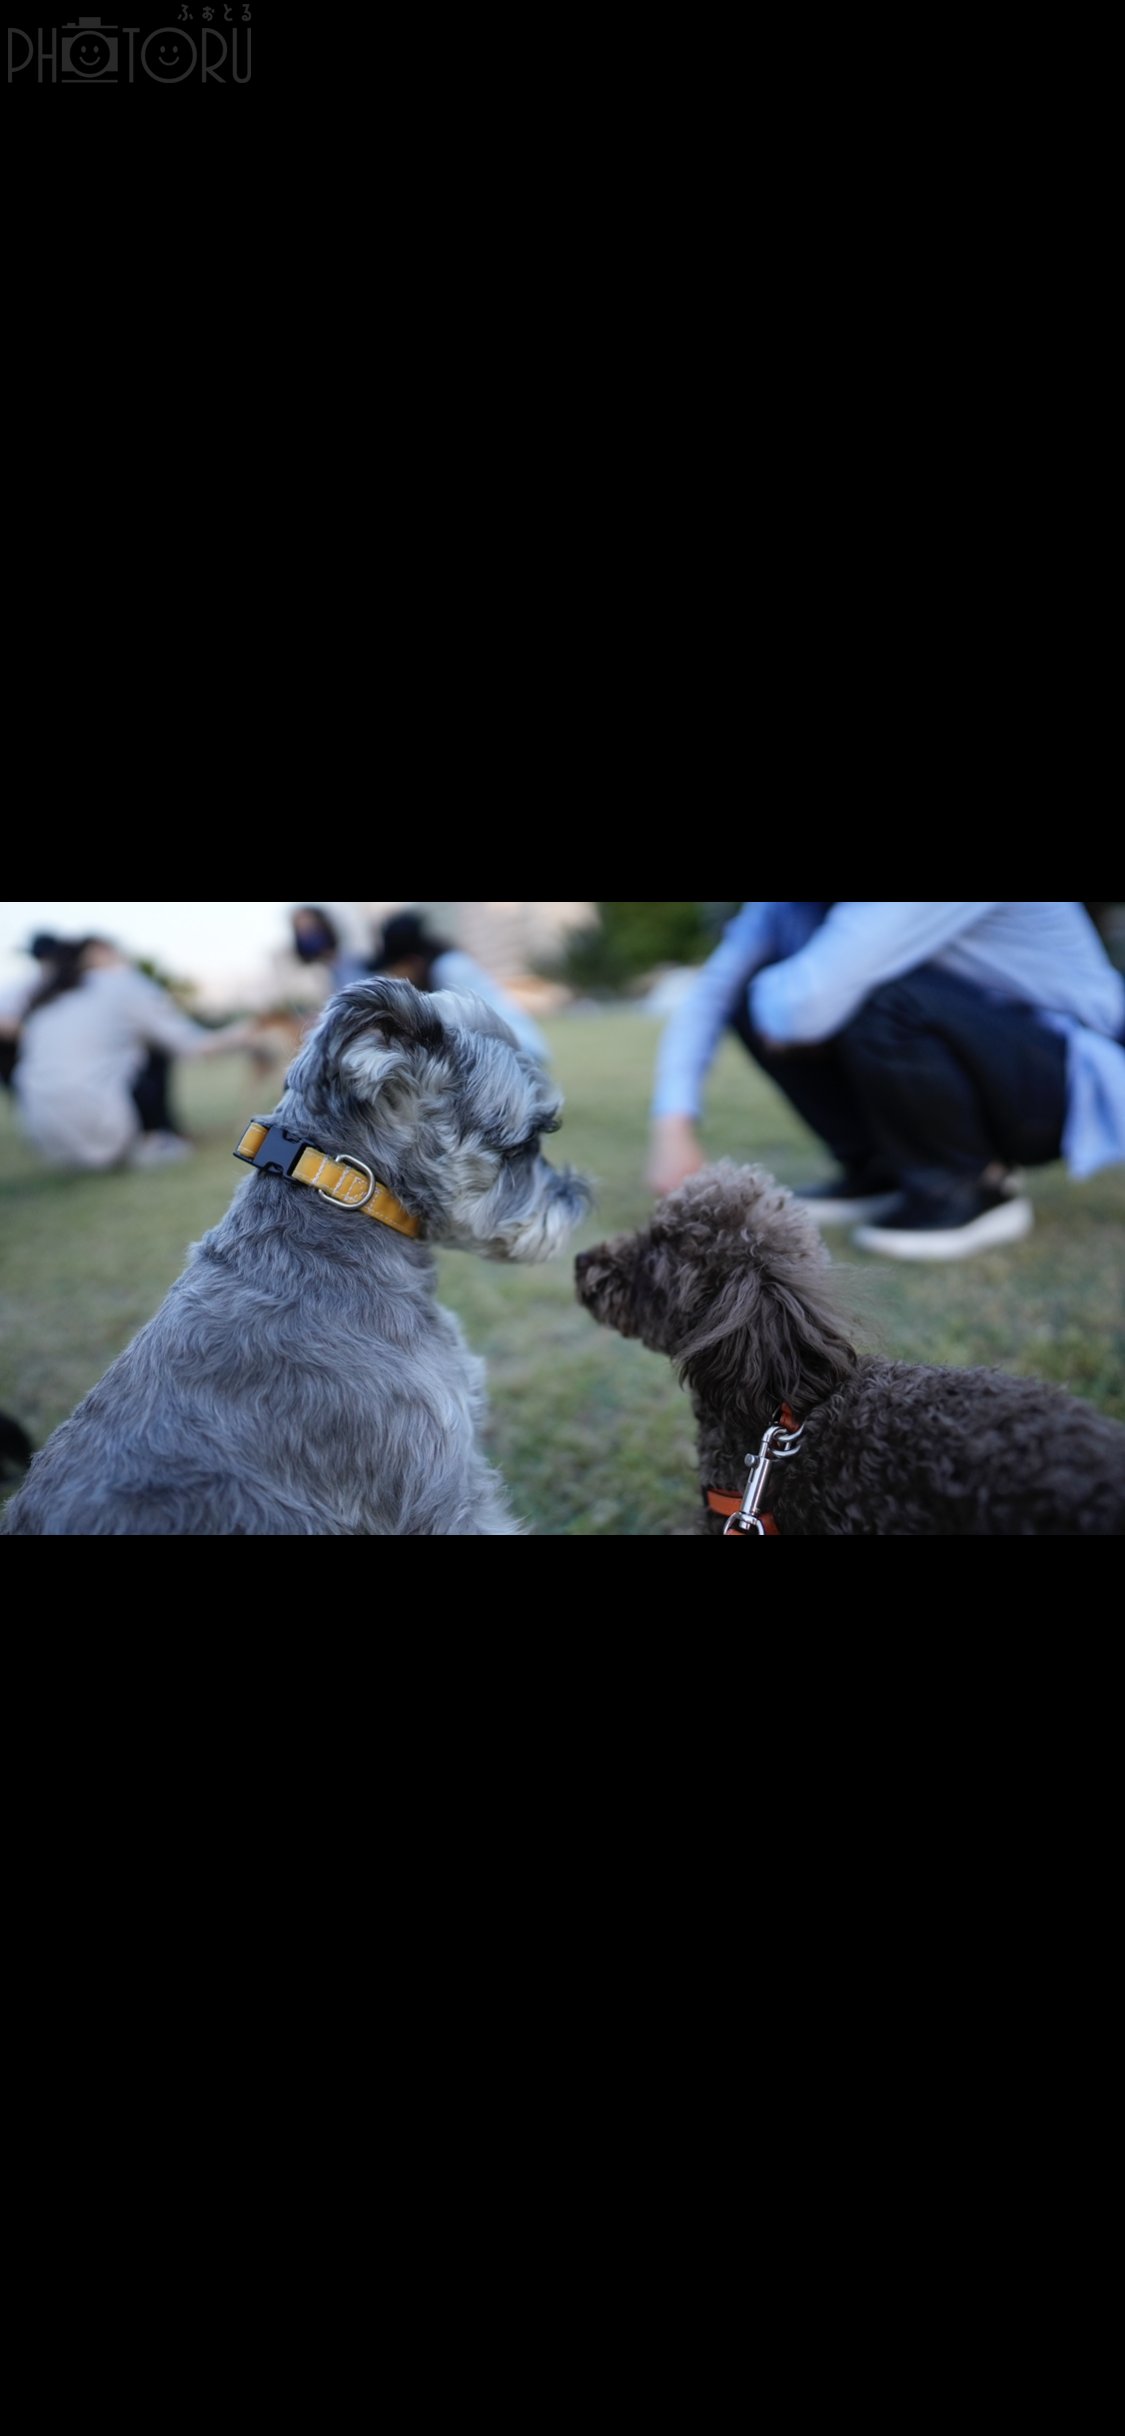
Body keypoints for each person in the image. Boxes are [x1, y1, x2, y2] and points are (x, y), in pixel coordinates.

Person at [646, 902, 1125, 1260]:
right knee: (773, 993)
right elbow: (713, 994)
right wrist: (673, 1126)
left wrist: (789, 998)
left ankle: (971, 1188)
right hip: (983, 1055)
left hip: (1067, 1073)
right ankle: (882, 1172)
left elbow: (801, 1009)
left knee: (873, 997)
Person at [10, 935, 270, 1173]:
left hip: (46, 1138)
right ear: (102, 952)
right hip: (102, 1127)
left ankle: (148, 1138)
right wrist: (249, 1029)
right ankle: (154, 1137)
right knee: (155, 1050)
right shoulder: (120, 981)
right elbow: (193, 1045)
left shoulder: (50, 995)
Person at [371, 909, 551, 1065]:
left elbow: (453, 1033)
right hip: (508, 1052)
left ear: (413, 961)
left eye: (395, 967)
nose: (394, 976)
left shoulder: (449, 969)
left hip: (519, 1052)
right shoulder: (446, 965)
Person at [288, 906, 374, 991]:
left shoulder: (352, 959)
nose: (309, 932)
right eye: (302, 929)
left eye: (311, 925)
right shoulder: (314, 972)